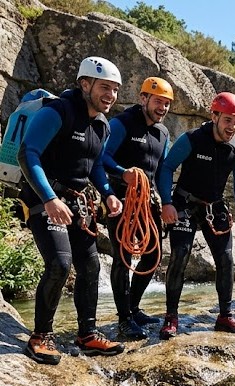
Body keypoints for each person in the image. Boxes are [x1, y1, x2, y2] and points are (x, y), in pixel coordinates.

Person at [17, 56, 125, 365]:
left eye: (115, 90)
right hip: (43, 198)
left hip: (78, 204)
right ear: (84, 84)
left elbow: (94, 166)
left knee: (91, 266)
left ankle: (88, 335)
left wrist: (107, 193)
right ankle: (40, 336)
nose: (111, 95)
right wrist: (50, 199)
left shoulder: (102, 125)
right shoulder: (58, 111)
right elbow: (29, 153)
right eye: (105, 87)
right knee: (61, 264)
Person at [157, 92, 235, 339]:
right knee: (180, 255)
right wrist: (167, 203)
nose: (232, 127)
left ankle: (225, 315)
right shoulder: (193, 139)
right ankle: (171, 317)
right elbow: (166, 168)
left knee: (226, 259)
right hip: (184, 203)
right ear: (215, 116)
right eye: (228, 120)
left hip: (214, 207)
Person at [102, 76, 173, 340]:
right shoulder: (122, 123)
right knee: (122, 259)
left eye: (166, 104)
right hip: (121, 199)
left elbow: (163, 170)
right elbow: (103, 157)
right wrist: (123, 174)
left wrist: (167, 201)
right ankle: (123, 320)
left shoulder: (163, 133)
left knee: (153, 256)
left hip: (148, 201)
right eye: (158, 102)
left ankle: (133, 307)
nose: (162, 108)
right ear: (143, 99)